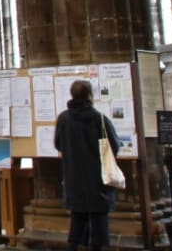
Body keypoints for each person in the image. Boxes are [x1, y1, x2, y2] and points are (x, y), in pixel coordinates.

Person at [54, 80, 120, 251]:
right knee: (99, 218)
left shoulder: (63, 119)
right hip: (97, 178)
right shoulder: (99, 119)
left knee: (78, 217)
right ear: (90, 95)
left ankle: (73, 246)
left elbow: (58, 144)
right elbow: (114, 145)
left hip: (74, 177)